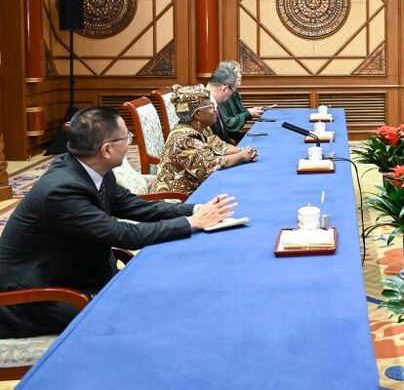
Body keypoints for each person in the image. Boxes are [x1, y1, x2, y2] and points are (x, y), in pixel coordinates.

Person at [0, 106, 238, 338]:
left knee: (155, 297)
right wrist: (192, 223)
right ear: (106, 149)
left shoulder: (90, 169)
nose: (130, 142)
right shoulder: (62, 190)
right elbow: (123, 234)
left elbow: (138, 207)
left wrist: (197, 209)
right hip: (32, 298)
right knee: (138, 318)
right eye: (127, 137)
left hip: (73, 277)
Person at [150, 84, 257, 194]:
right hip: (176, 196)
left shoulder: (202, 128)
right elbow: (209, 167)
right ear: (198, 114)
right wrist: (242, 156)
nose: (216, 110)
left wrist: (242, 150)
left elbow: (220, 146)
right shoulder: (184, 139)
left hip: (196, 186)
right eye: (211, 107)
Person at [216, 60, 265, 142]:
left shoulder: (234, 93)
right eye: (236, 73)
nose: (240, 76)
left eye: (240, 72)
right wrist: (248, 113)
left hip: (235, 135)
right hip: (227, 139)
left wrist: (252, 112)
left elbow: (238, 114)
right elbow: (229, 124)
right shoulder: (221, 96)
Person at [206, 67, 239, 143]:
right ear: (225, 89)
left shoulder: (213, 103)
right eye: (233, 92)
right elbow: (211, 143)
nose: (231, 95)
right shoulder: (205, 108)